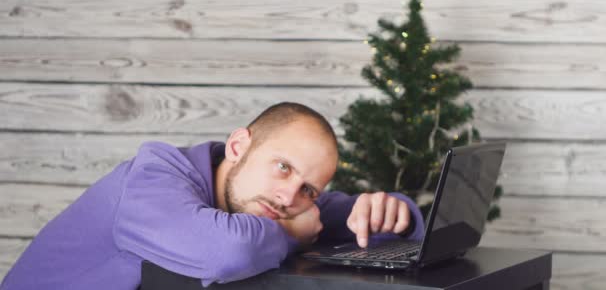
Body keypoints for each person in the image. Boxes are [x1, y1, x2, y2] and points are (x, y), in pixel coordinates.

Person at [1, 102, 424, 289]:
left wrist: (391, 210)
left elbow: (376, 225)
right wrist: (292, 235)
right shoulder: (153, 178)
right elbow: (226, 251)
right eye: (283, 167)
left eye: (307, 189)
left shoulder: (276, 200)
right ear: (239, 146)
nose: (287, 195)